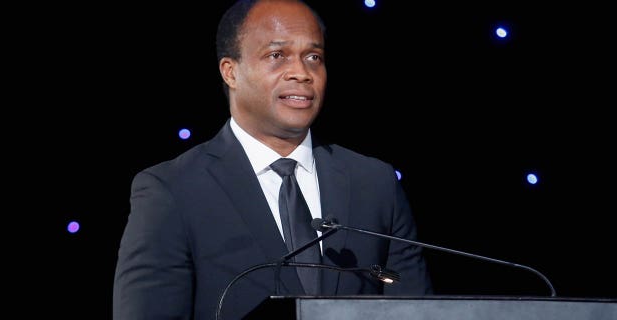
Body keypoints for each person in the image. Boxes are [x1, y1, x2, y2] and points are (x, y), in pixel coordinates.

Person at [112, 0, 433, 319]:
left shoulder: (374, 183)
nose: (301, 73)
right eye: (277, 55)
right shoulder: (172, 190)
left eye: (313, 57)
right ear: (231, 72)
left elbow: (412, 304)